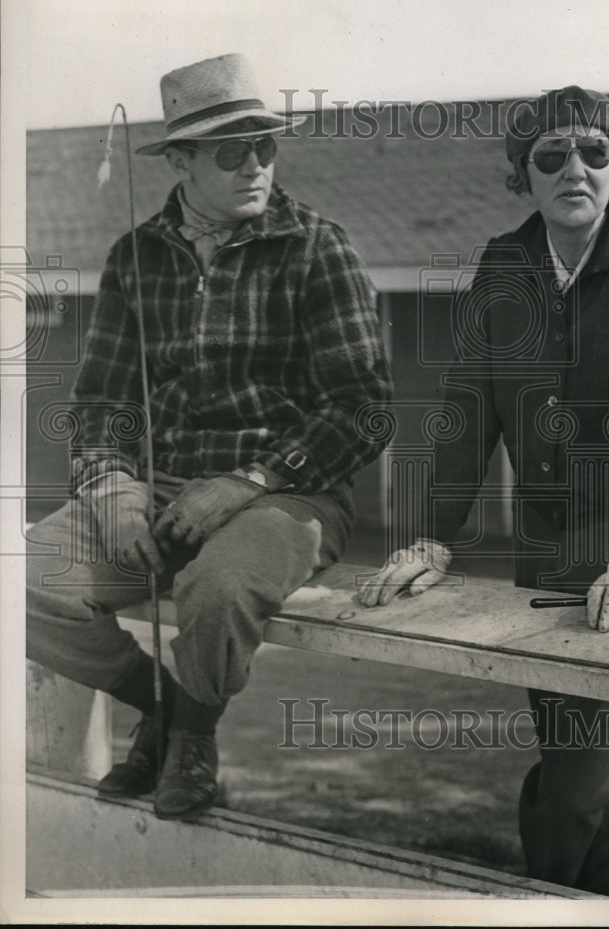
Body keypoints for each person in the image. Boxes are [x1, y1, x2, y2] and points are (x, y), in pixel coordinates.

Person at [357, 85, 609, 896]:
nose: (573, 169)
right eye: (549, 155)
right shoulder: (504, 264)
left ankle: (535, 905)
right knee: (588, 767)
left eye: (592, 151)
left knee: (579, 779)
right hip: (547, 542)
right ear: (524, 174)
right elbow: (468, 406)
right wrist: (432, 535)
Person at [27, 53, 392, 821]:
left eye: (266, 145)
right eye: (233, 150)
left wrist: (251, 481)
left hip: (287, 497)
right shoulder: (135, 258)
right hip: (158, 492)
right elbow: (103, 401)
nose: (256, 164)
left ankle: (192, 737)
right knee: (21, 577)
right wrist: (112, 488)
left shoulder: (318, 248)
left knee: (219, 587)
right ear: (183, 161)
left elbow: (363, 407)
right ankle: (161, 705)